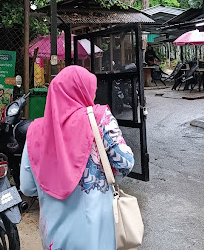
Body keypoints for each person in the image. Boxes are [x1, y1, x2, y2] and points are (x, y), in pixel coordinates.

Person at [20, 65, 135, 249]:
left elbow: (27, 187)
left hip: (54, 235)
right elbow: (126, 163)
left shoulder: (34, 131)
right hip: (97, 233)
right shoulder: (99, 118)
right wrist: (103, 177)